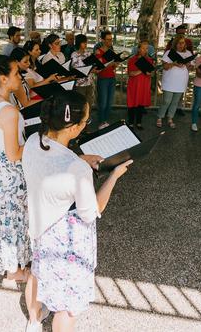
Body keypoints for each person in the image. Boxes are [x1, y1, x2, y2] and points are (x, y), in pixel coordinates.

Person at [22, 91, 132, 332]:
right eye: (85, 122)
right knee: (68, 306)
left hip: (41, 223)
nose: (85, 126)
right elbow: (93, 210)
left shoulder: (33, 141)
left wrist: (80, 158)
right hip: (66, 235)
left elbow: (50, 161)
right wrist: (114, 175)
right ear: (72, 127)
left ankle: (33, 320)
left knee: (38, 273)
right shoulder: (76, 169)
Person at [0, 55, 44, 330]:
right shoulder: (10, 110)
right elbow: (16, 153)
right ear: (3, 78)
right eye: (17, 73)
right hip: (12, 171)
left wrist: (2, 138)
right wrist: (40, 142)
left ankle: (10, 266)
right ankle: (16, 270)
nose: (21, 77)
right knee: (14, 216)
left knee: (2, 216)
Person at [157, 36, 192, 128]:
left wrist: (188, 65)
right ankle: (160, 117)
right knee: (166, 101)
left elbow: (191, 67)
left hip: (181, 81)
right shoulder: (169, 52)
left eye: (183, 43)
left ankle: (170, 118)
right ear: (175, 44)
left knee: (175, 102)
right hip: (169, 80)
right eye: (179, 43)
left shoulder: (188, 53)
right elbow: (164, 67)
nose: (181, 45)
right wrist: (174, 64)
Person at [126, 40, 154, 129]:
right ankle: (130, 122)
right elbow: (130, 73)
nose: (145, 50)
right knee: (132, 104)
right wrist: (141, 70)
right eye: (143, 48)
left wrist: (150, 73)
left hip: (144, 86)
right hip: (134, 85)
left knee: (141, 104)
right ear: (138, 49)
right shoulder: (132, 59)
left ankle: (138, 122)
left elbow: (151, 73)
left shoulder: (149, 60)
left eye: (146, 49)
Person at [95, 30, 118, 129]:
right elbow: (99, 68)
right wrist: (110, 63)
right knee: (103, 102)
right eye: (108, 40)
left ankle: (105, 121)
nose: (110, 42)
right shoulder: (98, 51)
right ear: (102, 40)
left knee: (109, 102)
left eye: (111, 40)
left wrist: (116, 63)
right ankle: (101, 121)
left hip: (112, 78)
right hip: (103, 79)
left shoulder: (111, 51)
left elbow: (113, 67)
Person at [70, 33, 96, 108]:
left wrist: (93, 68)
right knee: (81, 104)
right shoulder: (74, 54)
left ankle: (88, 118)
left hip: (89, 82)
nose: (85, 44)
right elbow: (75, 69)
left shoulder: (88, 53)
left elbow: (93, 67)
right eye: (84, 42)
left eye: (86, 42)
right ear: (79, 43)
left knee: (89, 103)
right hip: (80, 84)